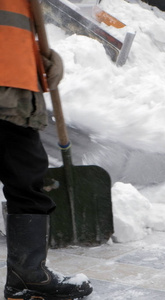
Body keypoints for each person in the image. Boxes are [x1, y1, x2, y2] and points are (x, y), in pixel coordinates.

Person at [0, 1, 93, 299]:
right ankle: (26, 276)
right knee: (25, 179)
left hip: (15, 85)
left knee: (26, 177)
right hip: (8, 90)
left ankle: (25, 276)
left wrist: (40, 58)